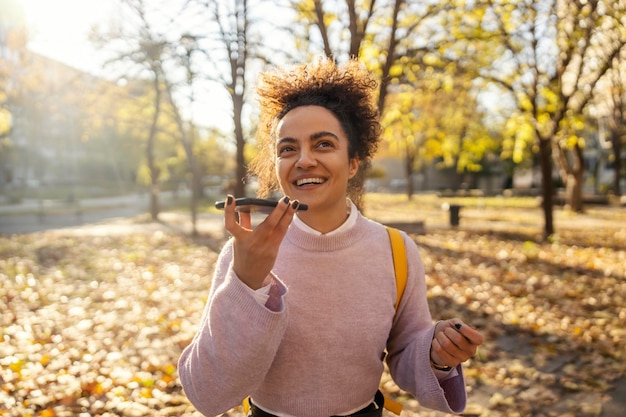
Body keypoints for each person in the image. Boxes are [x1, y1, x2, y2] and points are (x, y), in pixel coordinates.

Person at [178, 58, 483, 417]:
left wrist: (437, 354)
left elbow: (405, 354)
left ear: (353, 161)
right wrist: (246, 281)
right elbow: (207, 392)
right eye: (287, 148)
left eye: (323, 144)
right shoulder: (246, 252)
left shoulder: (396, 250)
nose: (304, 160)